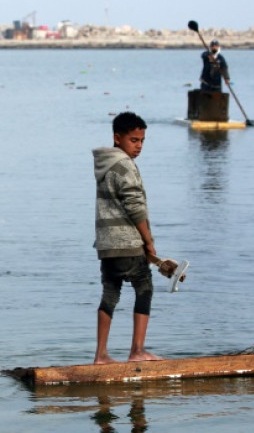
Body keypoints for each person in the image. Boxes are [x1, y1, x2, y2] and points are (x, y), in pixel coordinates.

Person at [92, 112, 178, 365]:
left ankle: (101, 356)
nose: (139, 146)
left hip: (107, 244)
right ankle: (137, 351)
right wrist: (149, 242)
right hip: (128, 242)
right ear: (117, 138)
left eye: (142, 141)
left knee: (110, 294)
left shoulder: (104, 164)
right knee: (144, 287)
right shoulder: (125, 165)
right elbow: (135, 206)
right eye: (134, 140)